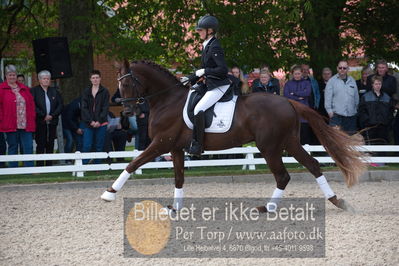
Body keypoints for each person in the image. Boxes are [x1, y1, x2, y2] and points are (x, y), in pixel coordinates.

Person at [180, 15, 231, 156]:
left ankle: (197, 144)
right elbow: (204, 70)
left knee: (199, 109)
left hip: (219, 85)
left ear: (210, 30)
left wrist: (204, 71)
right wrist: (191, 78)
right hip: (209, 83)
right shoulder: (207, 44)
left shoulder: (215, 45)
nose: (198, 32)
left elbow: (222, 69)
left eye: (201, 30)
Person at [0, 65, 36, 167]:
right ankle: (13, 169)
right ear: (6, 76)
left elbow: (31, 105)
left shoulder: (24, 88)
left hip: (25, 124)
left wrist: (32, 118)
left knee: (28, 146)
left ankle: (29, 168)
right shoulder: (1, 89)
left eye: (14, 75)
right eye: (10, 75)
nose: (12, 77)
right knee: (13, 147)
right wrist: (2, 119)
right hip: (9, 123)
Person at [31, 70, 63, 166]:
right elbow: (32, 106)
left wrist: (52, 116)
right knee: (41, 143)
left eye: (48, 79)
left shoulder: (54, 91)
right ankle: (40, 165)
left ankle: (49, 165)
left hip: (52, 122)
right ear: (39, 80)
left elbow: (60, 105)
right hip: (40, 122)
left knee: (51, 143)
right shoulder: (34, 91)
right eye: (44, 78)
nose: (46, 80)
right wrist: (43, 115)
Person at [81, 70, 110, 164]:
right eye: (93, 78)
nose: (95, 79)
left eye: (97, 77)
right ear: (90, 79)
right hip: (88, 123)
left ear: (100, 79)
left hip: (101, 123)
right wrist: (91, 121)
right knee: (87, 146)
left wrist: (98, 121)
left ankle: (98, 167)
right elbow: (83, 108)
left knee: (99, 146)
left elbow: (105, 108)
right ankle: (83, 166)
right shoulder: (86, 91)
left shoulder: (105, 91)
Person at [325, 60, 359, 135]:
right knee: (336, 141)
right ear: (337, 68)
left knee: (350, 141)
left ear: (348, 69)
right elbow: (327, 99)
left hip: (351, 117)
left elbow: (356, 97)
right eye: (340, 68)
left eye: (344, 68)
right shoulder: (331, 81)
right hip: (337, 117)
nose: (342, 69)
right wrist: (330, 113)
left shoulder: (352, 80)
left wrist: (356, 110)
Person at [358, 75, 394, 145]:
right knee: (372, 147)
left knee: (383, 147)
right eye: (376, 84)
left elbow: (390, 112)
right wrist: (366, 122)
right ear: (372, 85)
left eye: (379, 84)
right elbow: (362, 111)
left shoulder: (387, 97)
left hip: (383, 127)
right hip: (370, 127)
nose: (378, 86)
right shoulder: (366, 97)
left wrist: (387, 123)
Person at [283, 65, 313, 144]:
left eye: (299, 73)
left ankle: (306, 153)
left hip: (304, 112)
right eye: (295, 74)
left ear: (302, 74)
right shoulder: (288, 84)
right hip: (292, 111)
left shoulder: (307, 83)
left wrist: (294, 93)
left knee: (304, 134)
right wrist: (298, 98)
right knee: (293, 135)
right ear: (292, 74)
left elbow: (307, 93)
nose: (297, 75)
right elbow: (286, 95)